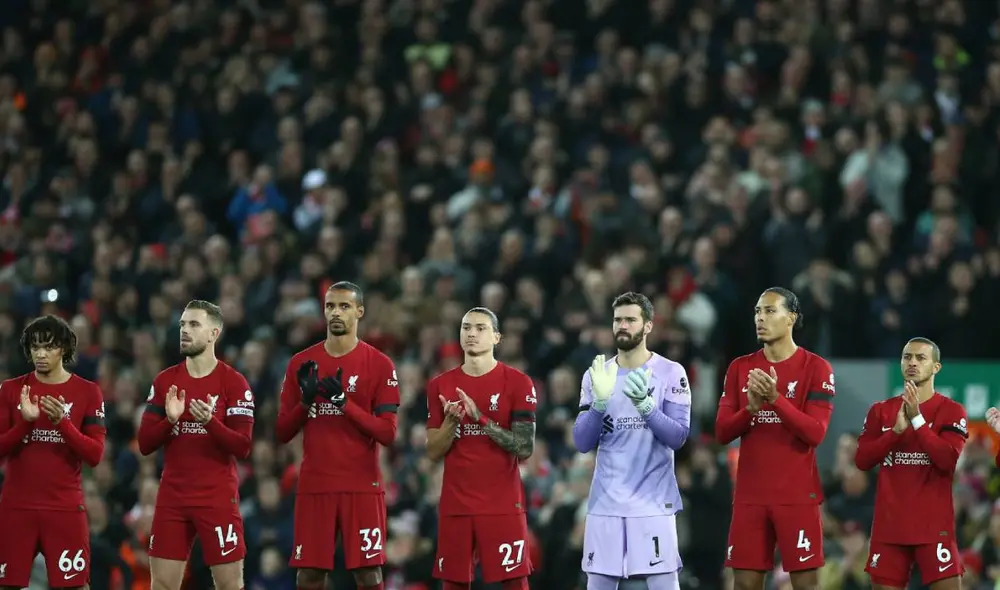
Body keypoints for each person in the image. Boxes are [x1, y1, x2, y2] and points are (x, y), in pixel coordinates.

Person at [275, 281, 399, 590]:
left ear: (359, 312)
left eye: (344, 306)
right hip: (316, 485)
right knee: (309, 575)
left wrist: (345, 404)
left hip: (361, 485)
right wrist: (305, 403)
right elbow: (282, 432)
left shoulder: (379, 364)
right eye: (330, 306)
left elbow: (387, 433)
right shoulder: (301, 363)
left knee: (369, 574)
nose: (336, 312)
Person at [714, 287, 836, 590]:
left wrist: (775, 399)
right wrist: (750, 410)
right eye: (758, 311)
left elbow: (815, 432)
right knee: (744, 584)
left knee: (806, 586)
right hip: (750, 496)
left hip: (797, 496)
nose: (760, 318)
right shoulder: (740, 368)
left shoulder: (816, 368)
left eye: (770, 311)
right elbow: (722, 432)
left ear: (791, 318)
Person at [572, 292, 692, 590]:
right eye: (617, 320)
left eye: (630, 320)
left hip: (653, 503)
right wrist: (599, 404)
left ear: (648, 325)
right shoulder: (597, 374)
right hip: (606, 502)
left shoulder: (670, 372)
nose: (622, 326)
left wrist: (647, 407)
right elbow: (582, 442)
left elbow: (678, 437)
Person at [137, 300, 255, 590]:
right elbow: (145, 443)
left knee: (229, 585)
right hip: (173, 497)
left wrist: (210, 422)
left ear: (214, 333)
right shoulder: (166, 381)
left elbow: (243, 446)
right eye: (182, 325)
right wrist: (170, 421)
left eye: (193, 324)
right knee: (162, 585)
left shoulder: (234, 382)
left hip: (216, 497)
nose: (184, 331)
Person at [425, 306, 536, 590]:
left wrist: (480, 418)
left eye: (480, 328)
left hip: (502, 504)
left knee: (515, 583)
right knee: (453, 584)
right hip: (456, 505)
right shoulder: (440, 385)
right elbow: (433, 451)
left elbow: (524, 447)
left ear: (497, 337)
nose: (471, 333)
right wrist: (451, 422)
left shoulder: (518, 383)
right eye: (466, 327)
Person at [0, 315, 106, 590]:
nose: (41, 354)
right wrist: (25, 424)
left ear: (64, 348)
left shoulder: (88, 392)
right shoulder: (10, 390)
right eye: (35, 347)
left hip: (64, 508)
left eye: (48, 347)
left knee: (74, 587)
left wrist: (63, 424)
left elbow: (95, 455)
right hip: (16, 508)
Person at [855, 338, 967, 590]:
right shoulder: (881, 411)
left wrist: (917, 419)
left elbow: (947, 460)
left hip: (933, 529)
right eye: (907, 357)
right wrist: (894, 433)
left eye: (920, 358)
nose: (912, 363)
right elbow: (862, 460)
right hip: (889, 529)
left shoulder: (951, 411)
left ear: (936, 367)